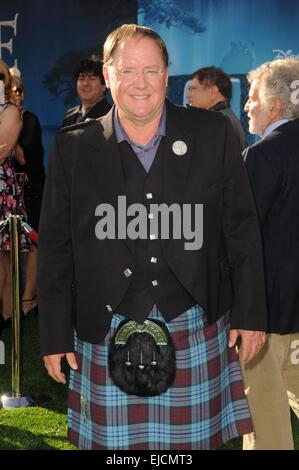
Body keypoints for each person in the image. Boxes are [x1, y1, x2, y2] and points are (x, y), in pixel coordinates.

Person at [38, 24, 267, 450]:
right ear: (108, 77)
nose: (139, 82)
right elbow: (56, 247)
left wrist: (251, 312)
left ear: (167, 75)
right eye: (127, 71)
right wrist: (53, 333)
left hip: (195, 321)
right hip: (104, 324)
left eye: (151, 70)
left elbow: (241, 228)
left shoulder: (211, 134)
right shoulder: (72, 147)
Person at [242, 58, 299, 450]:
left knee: (266, 419)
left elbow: (243, 239)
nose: (247, 105)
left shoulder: (262, 156)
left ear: (275, 105)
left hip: (268, 313)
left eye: (252, 97)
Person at [9, 72, 46, 316]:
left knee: (33, 243)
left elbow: (23, 157)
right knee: (8, 245)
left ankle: (29, 298)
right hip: (9, 190)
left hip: (31, 188)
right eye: (9, 91)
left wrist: (12, 127)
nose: (15, 95)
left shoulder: (29, 120)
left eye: (18, 91)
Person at [0, 59, 30, 333]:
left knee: (5, 258)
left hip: (3, 192)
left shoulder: (9, 110)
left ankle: (7, 314)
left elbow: (2, 150)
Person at [187, 66, 247, 151]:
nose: (188, 94)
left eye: (193, 89)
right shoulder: (226, 120)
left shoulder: (217, 123)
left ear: (213, 92)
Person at [62, 57, 111, 127]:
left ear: (104, 85)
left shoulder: (110, 115)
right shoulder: (69, 115)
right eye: (81, 78)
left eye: (92, 78)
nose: (85, 83)